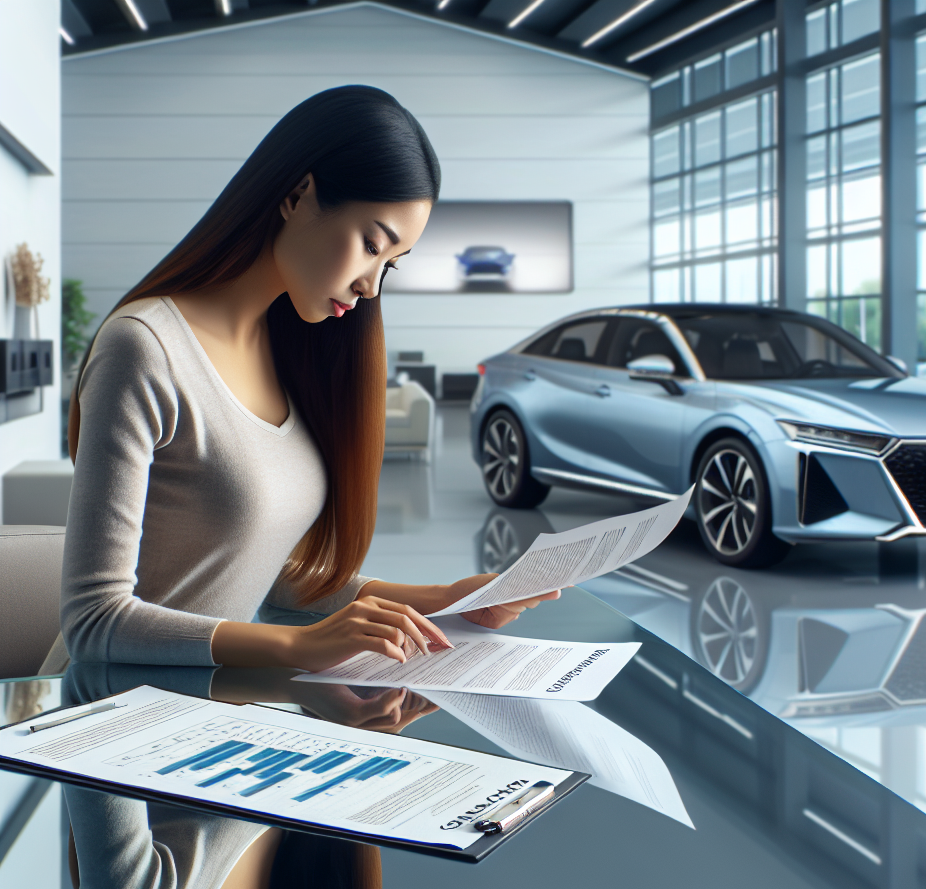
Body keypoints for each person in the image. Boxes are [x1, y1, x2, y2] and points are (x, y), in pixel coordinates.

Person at [46, 85, 557, 678]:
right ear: (297, 195)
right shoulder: (144, 348)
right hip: (104, 713)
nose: (371, 286)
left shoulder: (287, 348)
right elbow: (93, 620)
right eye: (371, 243)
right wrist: (299, 648)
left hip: (211, 708)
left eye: (388, 265)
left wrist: (444, 600)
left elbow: (264, 572)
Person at [61, 662, 430, 889]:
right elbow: (289, 618)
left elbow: (89, 686)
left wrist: (290, 683)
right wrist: (368, 699)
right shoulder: (316, 848)